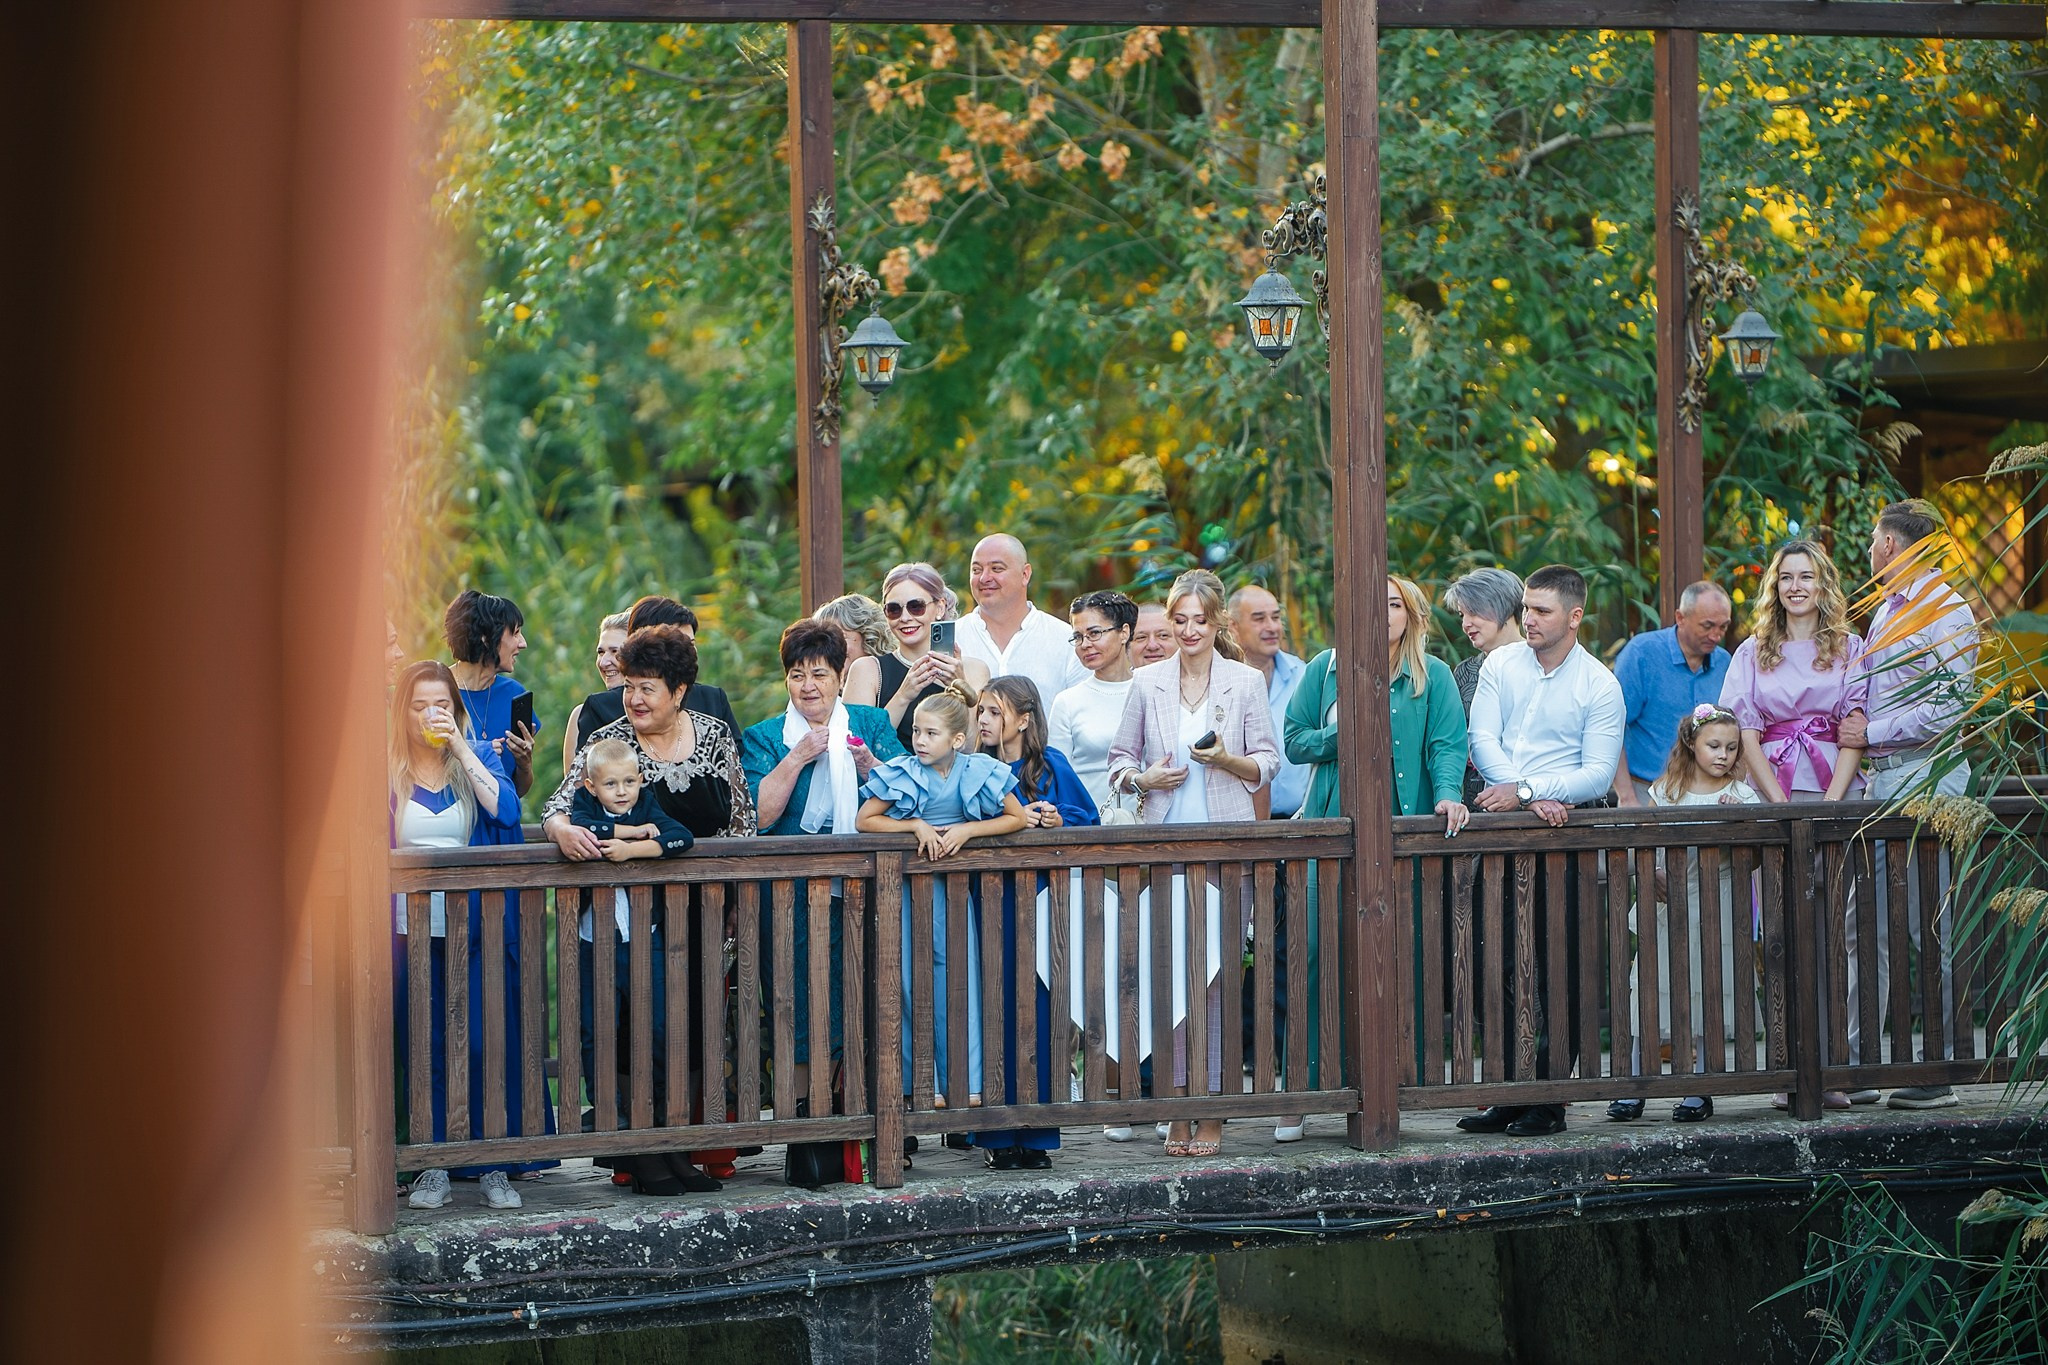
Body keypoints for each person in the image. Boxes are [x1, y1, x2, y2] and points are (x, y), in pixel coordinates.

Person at [540, 625, 755, 1194]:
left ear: (679, 691)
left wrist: (736, 897)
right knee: (631, 1030)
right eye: (630, 686)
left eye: (647, 688)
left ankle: (677, 1147)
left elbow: (743, 820)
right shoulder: (609, 740)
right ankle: (639, 1153)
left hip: (707, 913)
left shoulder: (713, 734)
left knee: (689, 1030)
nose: (633, 698)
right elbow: (558, 804)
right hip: (633, 922)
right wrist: (562, 830)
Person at [1282, 576, 1468, 1137]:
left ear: (1411, 614)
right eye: (1374, 602)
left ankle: (1395, 1084)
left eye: (1394, 604)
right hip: (1331, 833)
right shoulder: (1326, 668)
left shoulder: (1432, 675)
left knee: (1402, 955)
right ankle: (1302, 1091)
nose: (1383, 613)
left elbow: (1446, 744)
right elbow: (1294, 741)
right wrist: (1341, 733)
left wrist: (1448, 793)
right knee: (1317, 953)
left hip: (1400, 833)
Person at [1107, 569, 1280, 1158]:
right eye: (1178, 620)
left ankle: (1215, 1108)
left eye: (1198, 621)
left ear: (1217, 623)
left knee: (1218, 982)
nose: (1187, 631)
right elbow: (1119, 760)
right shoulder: (1146, 680)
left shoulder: (1245, 681)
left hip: (1227, 850)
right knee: (1172, 982)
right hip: (1165, 850)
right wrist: (1144, 779)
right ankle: (1177, 1104)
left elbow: (1269, 762)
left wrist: (1227, 760)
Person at [1460, 564, 1624, 1138]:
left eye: (1541, 611)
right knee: (1496, 963)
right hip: (1502, 833)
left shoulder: (1599, 684)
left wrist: (1527, 792)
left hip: (1564, 840)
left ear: (1574, 617)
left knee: (1559, 965)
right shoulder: (1500, 665)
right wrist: (1522, 794)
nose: (1527, 619)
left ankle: (1550, 1099)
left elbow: (1597, 773)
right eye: (1526, 608)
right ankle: (1510, 1090)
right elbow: (1482, 738)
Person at [389, 661, 551, 1211]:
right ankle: (432, 1165)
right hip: (409, 933)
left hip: (475, 929)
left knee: (484, 1042)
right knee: (425, 1045)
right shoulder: (387, 771)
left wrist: (459, 745)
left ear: (455, 709)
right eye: (419, 706)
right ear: (403, 714)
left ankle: (492, 1164)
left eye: (440, 704)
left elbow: (505, 809)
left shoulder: (477, 754)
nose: (429, 714)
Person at [1840, 499, 1980, 1109]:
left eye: (1873, 541)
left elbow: (1952, 706)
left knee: (1930, 922)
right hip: (1883, 781)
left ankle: (1940, 1069)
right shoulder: (1886, 610)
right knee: (1867, 921)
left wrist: (1870, 731)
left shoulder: (1945, 610)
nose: (1870, 551)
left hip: (1929, 778)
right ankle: (1863, 1063)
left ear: (1891, 546)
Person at [1719, 539, 1867, 1111]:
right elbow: (1744, 731)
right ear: (1774, 587)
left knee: (1833, 932)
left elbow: (1854, 726)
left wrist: (1830, 802)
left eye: (1806, 576)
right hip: (1774, 793)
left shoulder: (1850, 647)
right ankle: (1787, 1067)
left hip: (1835, 793)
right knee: (1780, 935)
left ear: (1823, 583)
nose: (1796, 586)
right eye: (1786, 577)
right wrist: (1780, 803)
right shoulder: (1752, 651)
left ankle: (1832, 1067)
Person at [741, 620, 903, 1097]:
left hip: (867, 887)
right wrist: (796, 758)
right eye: (797, 675)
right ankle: (804, 1114)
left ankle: (869, 1109)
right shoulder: (764, 736)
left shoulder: (870, 724)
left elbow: (911, 796)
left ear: (840, 675)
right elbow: (758, 816)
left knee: (871, 990)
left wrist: (871, 765)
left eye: (819, 674)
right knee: (794, 997)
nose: (808, 686)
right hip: (790, 894)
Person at [858, 683, 1028, 1108]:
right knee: (908, 981)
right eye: (917, 731)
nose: (919, 740)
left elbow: (1016, 817)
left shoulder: (976, 770)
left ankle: (966, 1082)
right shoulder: (904, 771)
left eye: (931, 733)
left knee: (960, 980)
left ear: (956, 739)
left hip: (954, 895)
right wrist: (914, 825)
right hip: (908, 894)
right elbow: (866, 820)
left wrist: (969, 830)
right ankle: (920, 1083)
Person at [1608, 704, 1761, 1126]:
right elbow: (1647, 845)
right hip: (1669, 901)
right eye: (1714, 745)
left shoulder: (1743, 796)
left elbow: (1753, 860)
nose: (1723, 755)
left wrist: (1738, 824)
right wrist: (1652, 872)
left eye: (1732, 747)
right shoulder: (1665, 792)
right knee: (1651, 988)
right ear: (1691, 744)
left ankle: (1699, 1086)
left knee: (1707, 988)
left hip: (1718, 902)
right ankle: (1635, 1085)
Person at [970, 677, 1098, 1169]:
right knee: (993, 1011)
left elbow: (1088, 820)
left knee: (1042, 1013)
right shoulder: (972, 768)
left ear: (1024, 719)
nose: (984, 719)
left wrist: (1056, 821)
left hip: (1042, 907)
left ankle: (1039, 1135)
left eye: (995, 711)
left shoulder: (1050, 766)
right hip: (988, 904)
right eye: (981, 710)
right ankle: (997, 1136)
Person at [1612, 582, 1734, 806]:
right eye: (1707, 626)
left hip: (1708, 797)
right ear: (1680, 618)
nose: (1716, 636)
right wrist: (1627, 796)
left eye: (1723, 627)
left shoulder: (1725, 662)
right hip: (1644, 791)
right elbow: (1610, 727)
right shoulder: (1641, 654)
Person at [846, 563, 990, 750]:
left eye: (916, 607)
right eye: (894, 609)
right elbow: (857, 749)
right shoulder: (868, 670)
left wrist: (962, 690)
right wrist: (903, 696)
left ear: (939, 608)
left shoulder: (974, 670)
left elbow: (975, 749)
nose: (905, 618)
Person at [572, 597, 741, 756]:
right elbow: (587, 772)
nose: (688, 652)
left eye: (691, 644)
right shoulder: (602, 709)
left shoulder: (712, 700)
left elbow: (738, 763)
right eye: (678, 643)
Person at [955, 533, 1087, 709]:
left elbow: (1082, 713)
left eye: (996, 569)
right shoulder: (953, 639)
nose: (984, 578)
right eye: (976, 570)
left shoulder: (1066, 640)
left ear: (1025, 574)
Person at [444, 590, 538, 830]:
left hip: (503, 831)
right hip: (455, 830)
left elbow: (517, 790)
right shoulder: (437, 693)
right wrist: (476, 750)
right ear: (486, 638)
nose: (523, 643)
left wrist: (525, 763)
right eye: (515, 633)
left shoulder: (514, 695)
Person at [1048, 590, 1140, 814]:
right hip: (1089, 822)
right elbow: (1057, 777)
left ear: (1124, 632)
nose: (1085, 644)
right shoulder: (1068, 701)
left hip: (1153, 821)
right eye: (1078, 637)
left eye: (1094, 633)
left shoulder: (1152, 690)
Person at [1442, 568, 1526, 804]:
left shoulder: (1543, 662)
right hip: (1478, 801)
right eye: (1462, 615)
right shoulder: (1465, 672)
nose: (1466, 624)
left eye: (1474, 612)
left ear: (1503, 606)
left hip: (1539, 798)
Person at [1231, 585, 1310, 819]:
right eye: (1259, 619)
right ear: (1233, 627)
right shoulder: (1219, 680)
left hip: (1302, 823)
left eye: (1275, 617)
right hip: (1239, 824)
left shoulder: (1303, 676)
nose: (1272, 627)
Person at [563, 611, 631, 777]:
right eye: (601, 652)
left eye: (615, 651)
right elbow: (573, 786)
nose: (604, 662)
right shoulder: (581, 714)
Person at [813, 593, 894, 702]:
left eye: (839, 637)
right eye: (821, 640)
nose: (829, 647)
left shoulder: (896, 682)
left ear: (869, 637)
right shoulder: (812, 692)